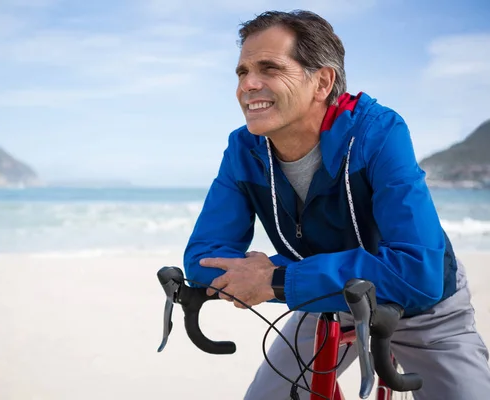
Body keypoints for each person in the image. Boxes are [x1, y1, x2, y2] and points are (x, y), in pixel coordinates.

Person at [182, 9, 490, 400]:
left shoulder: (378, 132)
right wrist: (276, 279)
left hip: (423, 306)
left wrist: (275, 278)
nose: (248, 85)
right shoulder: (244, 149)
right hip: (325, 298)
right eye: (242, 72)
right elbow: (203, 258)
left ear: (322, 81)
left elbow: (418, 273)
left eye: (269, 68)